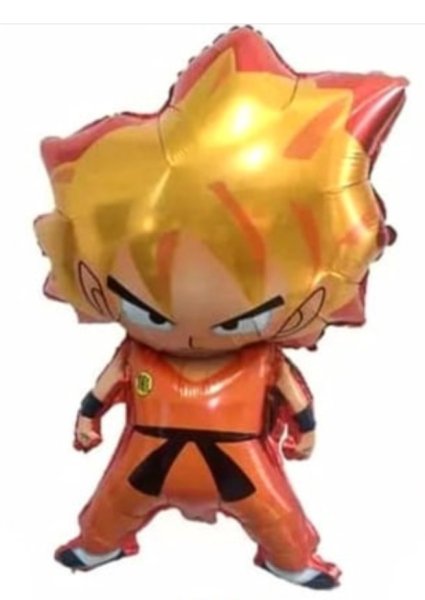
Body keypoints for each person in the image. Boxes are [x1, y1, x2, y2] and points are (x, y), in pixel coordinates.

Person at [35, 26, 407, 590]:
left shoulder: (261, 360)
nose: (188, 328)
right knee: (112, 505)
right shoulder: (137, 355)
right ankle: (97, 545)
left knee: (274, 515)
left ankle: (290, 558)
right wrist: (89, 416)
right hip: (146, 453)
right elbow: (104, 388)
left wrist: (304, 430)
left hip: (241, 460)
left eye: (244, 316)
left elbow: (293, 395)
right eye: (146, 308)